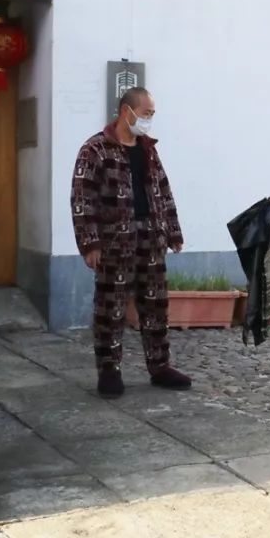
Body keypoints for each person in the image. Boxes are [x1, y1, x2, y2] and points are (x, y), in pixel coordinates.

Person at [71, 87, 191, 398]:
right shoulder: (95, 149)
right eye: (147, 113)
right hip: (114, 240)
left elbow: (163, 191)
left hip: (150, 237)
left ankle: (160, 365)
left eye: (152, 114)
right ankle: (109, 370)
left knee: (155, 305)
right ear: (128, 111)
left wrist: (173, 231)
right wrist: (90, 243)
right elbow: (82, 199)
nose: (150, 119)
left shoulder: (148, 149)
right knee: (110, 307)